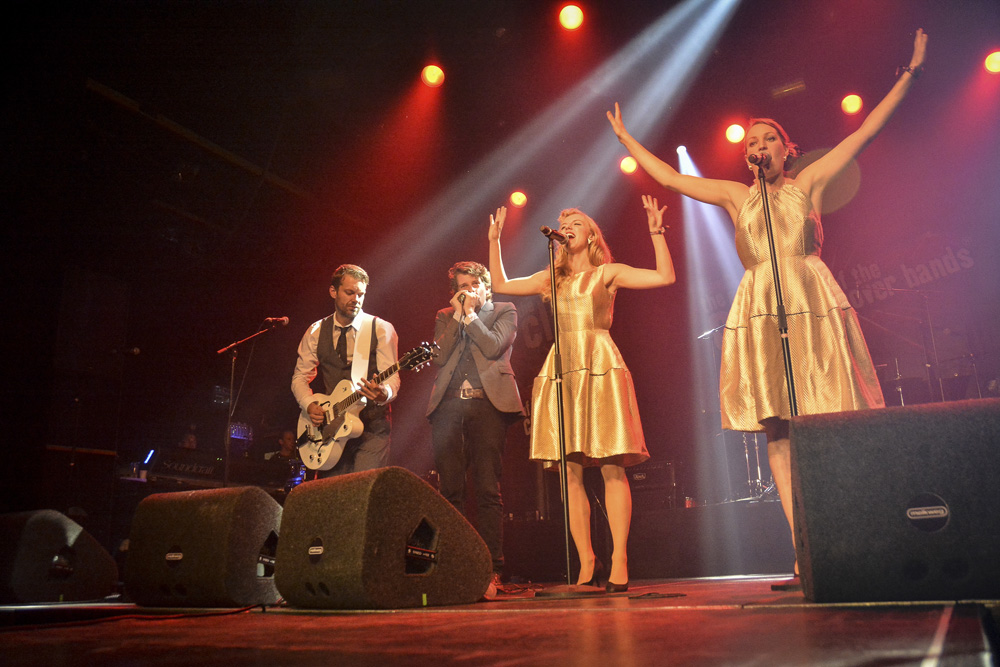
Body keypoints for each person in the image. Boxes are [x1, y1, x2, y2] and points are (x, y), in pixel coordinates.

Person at [607, 30, 929, 582]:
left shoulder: (808, 183)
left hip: (808, 296)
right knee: (778, 429)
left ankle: (854, 532)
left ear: (786, 148)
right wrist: (625, 138)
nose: (756, 147)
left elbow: (867, 131)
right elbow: (669, 177)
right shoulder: (736, 197)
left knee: (828, 418)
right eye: (750, 142)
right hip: (760, 304)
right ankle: (804, 548)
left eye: (766, 138)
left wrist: (910, 74)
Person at [488, 196, 676, 592]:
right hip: (562, 367)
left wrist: (656, 234)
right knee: (570, 472)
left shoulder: (607, 272)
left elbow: (664, 277)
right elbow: (501, 284)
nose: (568, 226)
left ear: (592, 234)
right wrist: (495, 241)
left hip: (599, 361)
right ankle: (587, 561)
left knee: (611, 465)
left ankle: (620, 558)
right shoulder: (550, 280)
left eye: (577, 222)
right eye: (565, 223)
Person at [426, 261, 524, 596]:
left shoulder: (504, 310)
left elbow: (494, 346)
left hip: (487, 405)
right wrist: (457, 316)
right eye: (459, 286)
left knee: (486, 488)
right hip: (448, 406)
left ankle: (491, 569)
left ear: (486, 286)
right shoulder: (444, 315)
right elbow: (438, 357)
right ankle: (453, 566)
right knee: (450, 489)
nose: (465, 291)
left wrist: (470, 317)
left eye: (471, 284)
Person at [291, 264, 400, 477]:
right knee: (333, 498)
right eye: (350, 292)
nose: (356, 299)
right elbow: (300, 377)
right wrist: (309, 404)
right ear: (333, 291)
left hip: (371, 427)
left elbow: (393, 377)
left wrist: (383, 393)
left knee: (363, 492)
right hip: (332, 427)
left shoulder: (380, 328)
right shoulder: (315, 332)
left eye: (361, 294)